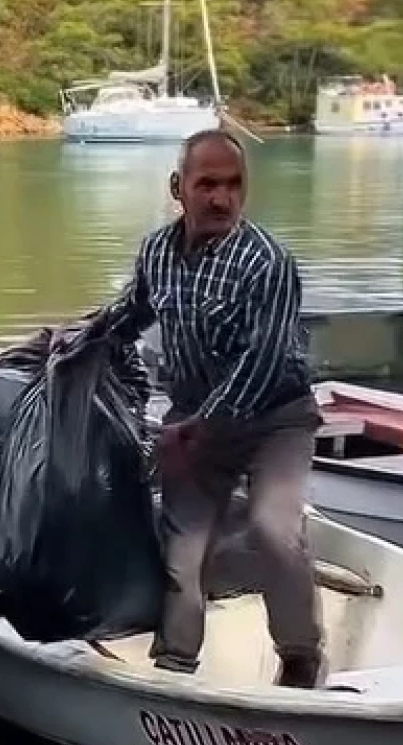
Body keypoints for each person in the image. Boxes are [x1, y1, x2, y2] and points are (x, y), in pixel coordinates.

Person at [76, 127, 324, 688]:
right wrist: (76, 342)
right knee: (182, 554)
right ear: (177, 187)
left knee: (273, 528)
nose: (221, 198)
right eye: (207, 184)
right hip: (194, 421)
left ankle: (301, 654)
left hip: (275, 421)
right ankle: (175, 667)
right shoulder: (157, 251)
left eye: (233, 185)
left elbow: (261, 365)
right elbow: (129, 313)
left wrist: (195, 431)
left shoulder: (269, 263)